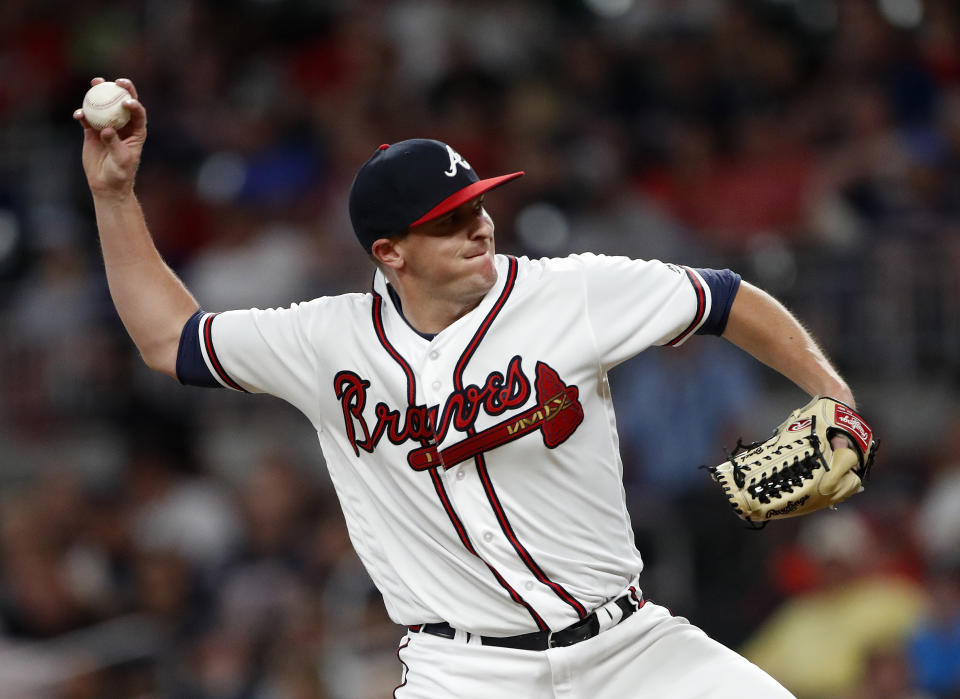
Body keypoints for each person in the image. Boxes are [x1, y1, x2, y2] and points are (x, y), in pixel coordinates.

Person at [75, 76, 859, 698]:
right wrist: (114, 195)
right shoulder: (327, 341)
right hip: (468, 673)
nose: (480, 225)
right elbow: (168, 337)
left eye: (478, 204)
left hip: (631, 648)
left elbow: (725, 298)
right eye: (449, 220)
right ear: (391, 252)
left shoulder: (569, 291)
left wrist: (835, 395)